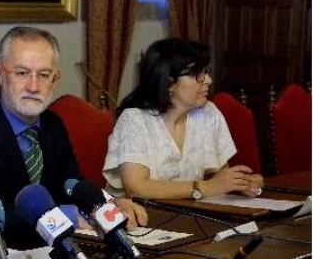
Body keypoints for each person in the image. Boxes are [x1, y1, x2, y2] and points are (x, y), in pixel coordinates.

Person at [0, 27, 146, 247]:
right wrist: (72, 217)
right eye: (22, 73)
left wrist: (107, 205)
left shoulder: (52, 124)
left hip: (44, 253)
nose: (33, 87)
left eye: (43, 75)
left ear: (55, 79)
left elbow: (72, 184)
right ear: (1, 74)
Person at [103, 38, 265, 200]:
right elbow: (137, 188)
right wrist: (205, 187)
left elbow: (219, 177)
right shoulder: (134, 119)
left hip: (190, 213)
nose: (208, 80)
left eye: (206, 72)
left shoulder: (208, 113)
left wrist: (241, 183)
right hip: (142, 218)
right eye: (198, 75)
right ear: (169, 83)